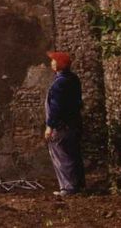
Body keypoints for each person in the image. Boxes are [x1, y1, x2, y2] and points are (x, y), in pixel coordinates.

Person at [44, 50, 85, 196]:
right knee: (73, 154)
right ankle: (78, 185)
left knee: (62, 155)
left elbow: (56, 107)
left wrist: (50, 126)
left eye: (54, 60)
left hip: (62, 126)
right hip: (74, 123)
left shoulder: (59, 84)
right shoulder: (73, 79)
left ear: (59, 64)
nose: (51, 63)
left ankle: (68, 188)